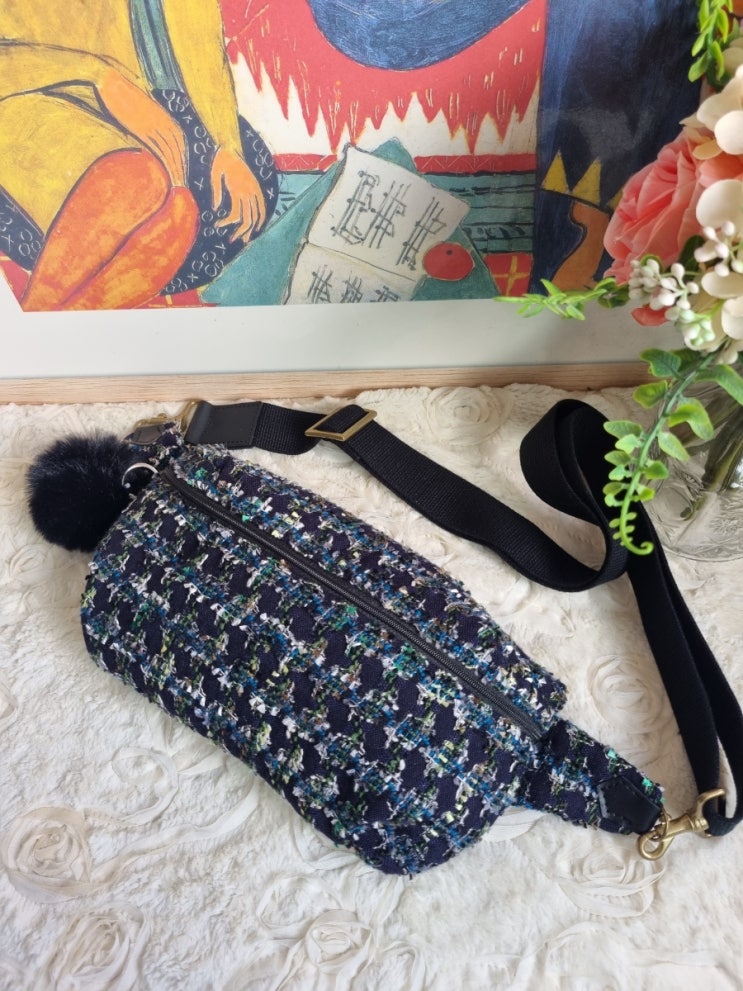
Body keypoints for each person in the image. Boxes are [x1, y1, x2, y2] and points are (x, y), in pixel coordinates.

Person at [0, 0, 266, 310]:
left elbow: (202, 43)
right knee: (136, 179)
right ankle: (37, 319)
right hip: (24, 96)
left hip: (134, 110)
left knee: (181, 214)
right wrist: (97, 74)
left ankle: (43, 319)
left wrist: (228, 145)